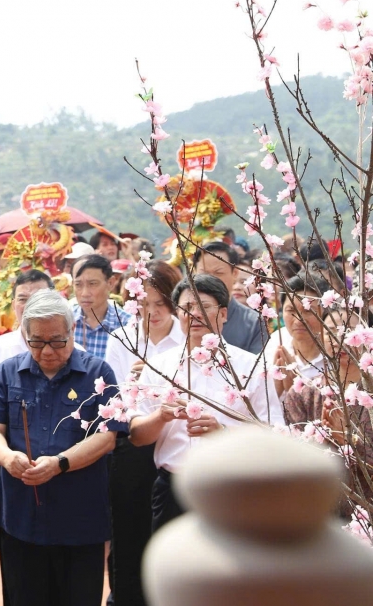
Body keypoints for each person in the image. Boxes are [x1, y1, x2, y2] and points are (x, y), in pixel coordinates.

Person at [0, 289, 127, 606]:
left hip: (80, 516)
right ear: (24, 335)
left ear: (72, 330)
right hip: (21, 515)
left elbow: (108, 436)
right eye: (36, 341)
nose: (47, 350)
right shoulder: (7, 373)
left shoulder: (99, 373)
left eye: (57, 341)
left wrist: (60, 463)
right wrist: (8, 457)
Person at [128, 273, 282, 532]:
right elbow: (136, 436)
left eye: (204, 307)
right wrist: (161, 417)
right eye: (187, 308)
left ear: (223, 314)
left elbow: (273, 432)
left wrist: (223, 434)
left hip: (232, 485)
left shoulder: (250, 367)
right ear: (177, 315)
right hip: (173, 488)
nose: (194, 315)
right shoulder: (159, 367)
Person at [102, 260, 183, 606]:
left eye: (161, 303)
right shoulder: (122, 340)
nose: (153, 312)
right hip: (133, 450)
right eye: (145, 304)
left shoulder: (190, 335)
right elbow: (117, 401)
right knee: (129, 535)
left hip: (177, 449)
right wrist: (138, 383)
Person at [282, 309, 372, 516]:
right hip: (319, 513)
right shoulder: (303, 394)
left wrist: (351, 442)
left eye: (347, 332)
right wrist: (323, 440)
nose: (338, 339)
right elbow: (293, 460)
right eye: (330, 331)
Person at [192, 241, 268, 354]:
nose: (210, 279)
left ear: (235, 273)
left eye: (218, 273)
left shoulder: (254, 322)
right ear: (194, 272)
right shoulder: (184, 316)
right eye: (204, 273)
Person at [265, 272, 329, 399]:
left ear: (325, 312)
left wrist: (295, 393)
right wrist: (273, 392)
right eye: (291, 310)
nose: (299, 320)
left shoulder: (335, 349)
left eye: (308, 311)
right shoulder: (277, 340)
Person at [0, 269, 55, 367]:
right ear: (14, 305)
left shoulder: (71, 351)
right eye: (23, 299)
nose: (30, 306)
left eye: (38, 298)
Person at [71, 254, 131, 359]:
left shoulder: (127, 325)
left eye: (92, 284)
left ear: (111, 283)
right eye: (78, 284)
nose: (85, 293)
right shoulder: (64, 323)